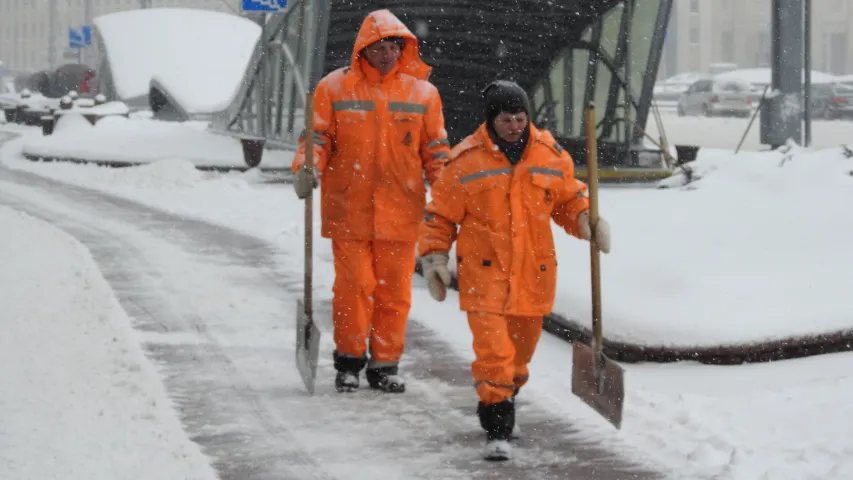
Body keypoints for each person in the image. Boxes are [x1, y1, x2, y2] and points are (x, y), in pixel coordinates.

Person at [417, 80, 611, 461]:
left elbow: (568, 200)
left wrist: (586, 219)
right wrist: (435, 259)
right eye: (507, 119)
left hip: (533, 275)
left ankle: (506, 397)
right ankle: (497, 427)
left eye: (521, 118)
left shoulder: (550, 156)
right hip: (483, 274)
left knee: (519, 356)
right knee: (494, 355)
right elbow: (439, 217)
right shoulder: (464, 162)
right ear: (491, 119)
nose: (515, 125)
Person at [290, 9, 451, 394]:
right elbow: (318, 138)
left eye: (393, 47)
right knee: (353, 286)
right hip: (349, 208)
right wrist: (306, 167)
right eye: (378, 47)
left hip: (402, 209)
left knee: (394, 292)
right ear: (363, 48)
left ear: (403, 49)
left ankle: (385, 363)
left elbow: (436, 149)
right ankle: (348, 361)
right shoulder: (334, 88)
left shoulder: (423, 94)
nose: (386, 54)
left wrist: (446, 193)